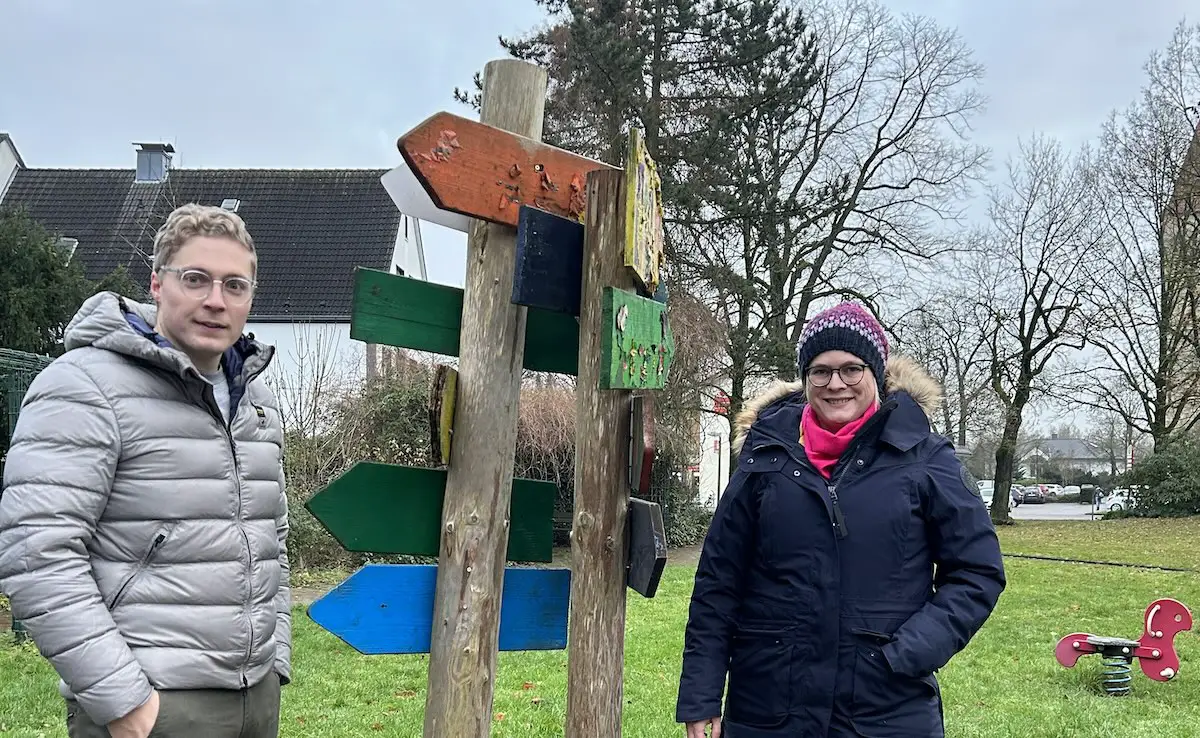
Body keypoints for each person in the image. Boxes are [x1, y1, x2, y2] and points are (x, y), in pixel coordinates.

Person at [0, 203, 291, 738]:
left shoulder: (257, 402)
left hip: (256, 698)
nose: (215, 300)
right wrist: (123, 702)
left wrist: (277, 660)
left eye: (235, 285)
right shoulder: (84, 386)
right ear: (157, 284)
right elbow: (36, 553)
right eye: (196, 279)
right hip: (152, 704)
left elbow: (272, 537)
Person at [676, 301, 1005, 737]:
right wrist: (701, 694)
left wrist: (906, 654)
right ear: (805, 376)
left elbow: (977, 573)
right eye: (821, 370)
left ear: (875, 373)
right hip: (769, 708)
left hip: (884, 709)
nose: (836, 384)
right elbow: (719, 582)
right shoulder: (765, 456)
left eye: (852, 369)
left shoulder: (925, 458)